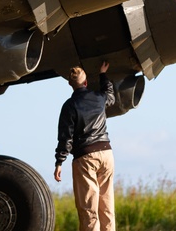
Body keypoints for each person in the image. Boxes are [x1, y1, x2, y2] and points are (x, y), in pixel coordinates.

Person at [54, 61, 116, 231]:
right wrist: (103, 74)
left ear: (69, 84)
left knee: (89, 209)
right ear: (86, 82)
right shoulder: (99, 97)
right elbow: (110, 95)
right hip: (106, 153)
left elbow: (65, 137)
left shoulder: (69, 106)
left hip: (86, 157)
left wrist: (59, 162)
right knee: (107, 206)